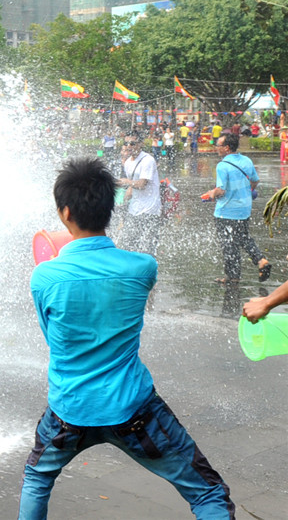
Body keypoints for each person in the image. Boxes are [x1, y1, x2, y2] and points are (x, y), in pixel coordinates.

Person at [18, 157, 235, 519]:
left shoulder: (44, 277)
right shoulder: (142, 267)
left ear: (64, 212)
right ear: (111, 209)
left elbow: (53, 337)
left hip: (68, 409)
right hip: (134, 410)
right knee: (209, 494)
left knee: (37, 479)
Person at [204, 133, 270, 284]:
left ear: (226, 148)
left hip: (226, 211)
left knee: (228, 244)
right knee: (243, 237)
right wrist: (245, 193)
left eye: (219, 145)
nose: (216, 148)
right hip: (244, 209)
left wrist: (211, 194)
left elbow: (221, 191)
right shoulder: (246, 160)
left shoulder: (223, 165)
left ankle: (233, 277)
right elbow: (255, 181)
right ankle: (260, 260)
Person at [118, 131, 161, 257]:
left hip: (149, 210)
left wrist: (126, 182)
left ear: (141, 144)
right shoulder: (127, 163)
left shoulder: (147, 160)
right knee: (128, 244)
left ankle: (149, 274)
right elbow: (132, 188)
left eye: (132, 143)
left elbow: (142, 184)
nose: (129, 146)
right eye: (126, 143)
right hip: (134, 210)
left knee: (147, 248)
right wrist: (121, 202)